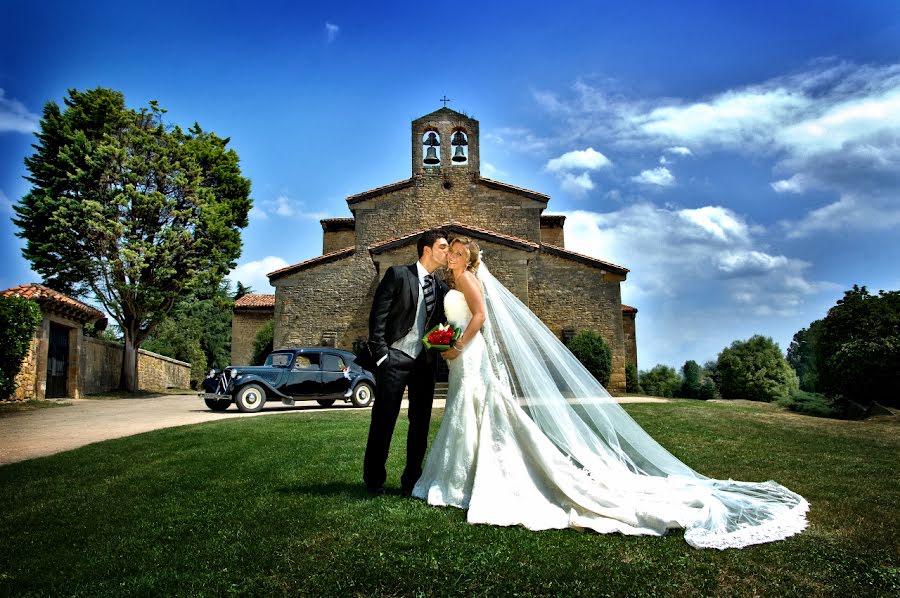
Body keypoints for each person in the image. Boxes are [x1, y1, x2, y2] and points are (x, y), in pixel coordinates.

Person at [412, 237, 809, 549]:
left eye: (459, 252)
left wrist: (457, 345)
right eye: (451, 252)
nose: (453, 257)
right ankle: (463, 476)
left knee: (476, 409)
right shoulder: (457, 280)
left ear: (469, 258)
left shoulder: (466, 279)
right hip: (463, 356)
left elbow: (480, 316)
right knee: (473, 410)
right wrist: (446, 343)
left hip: (468, 352)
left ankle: (462, 481)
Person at [363, 231, 450, 495]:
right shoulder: (398, 275)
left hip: (423, 364)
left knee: (420, 423)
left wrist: (437, 351)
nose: (447, 252)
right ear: (427, 249)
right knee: (383, 420)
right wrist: (382, 356)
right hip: (394, 358)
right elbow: (377, 318)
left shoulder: (442, 288)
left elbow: (443, 327)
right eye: (443, 247)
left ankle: (411, 480)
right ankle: (374, 480)